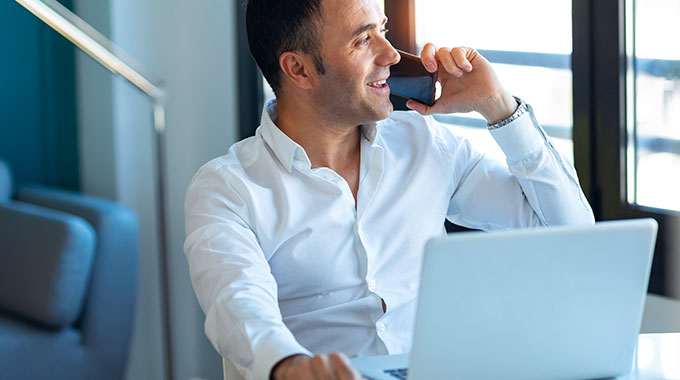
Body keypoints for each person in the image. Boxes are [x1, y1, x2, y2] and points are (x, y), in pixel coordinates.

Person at [183, 0, 594, 378]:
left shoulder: (425, 143)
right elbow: (237, 303)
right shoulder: (227, 189)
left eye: (383, 29)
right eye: (363, 39)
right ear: (299, 69)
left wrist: (498, 105)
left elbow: (572, 231)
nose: (392, 55)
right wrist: (290, 367)